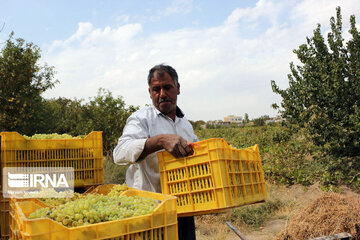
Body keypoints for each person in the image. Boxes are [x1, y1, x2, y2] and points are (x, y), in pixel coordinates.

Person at [113, 63, 198, 240]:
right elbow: (119, 153)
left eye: (167, 87)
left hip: (182, 209)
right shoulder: (141, 119)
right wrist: (159, 141)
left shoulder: (185, 124)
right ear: (150, 92)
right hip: (150, 210)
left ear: (178, 88)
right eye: (156, 89)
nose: (162, 94)